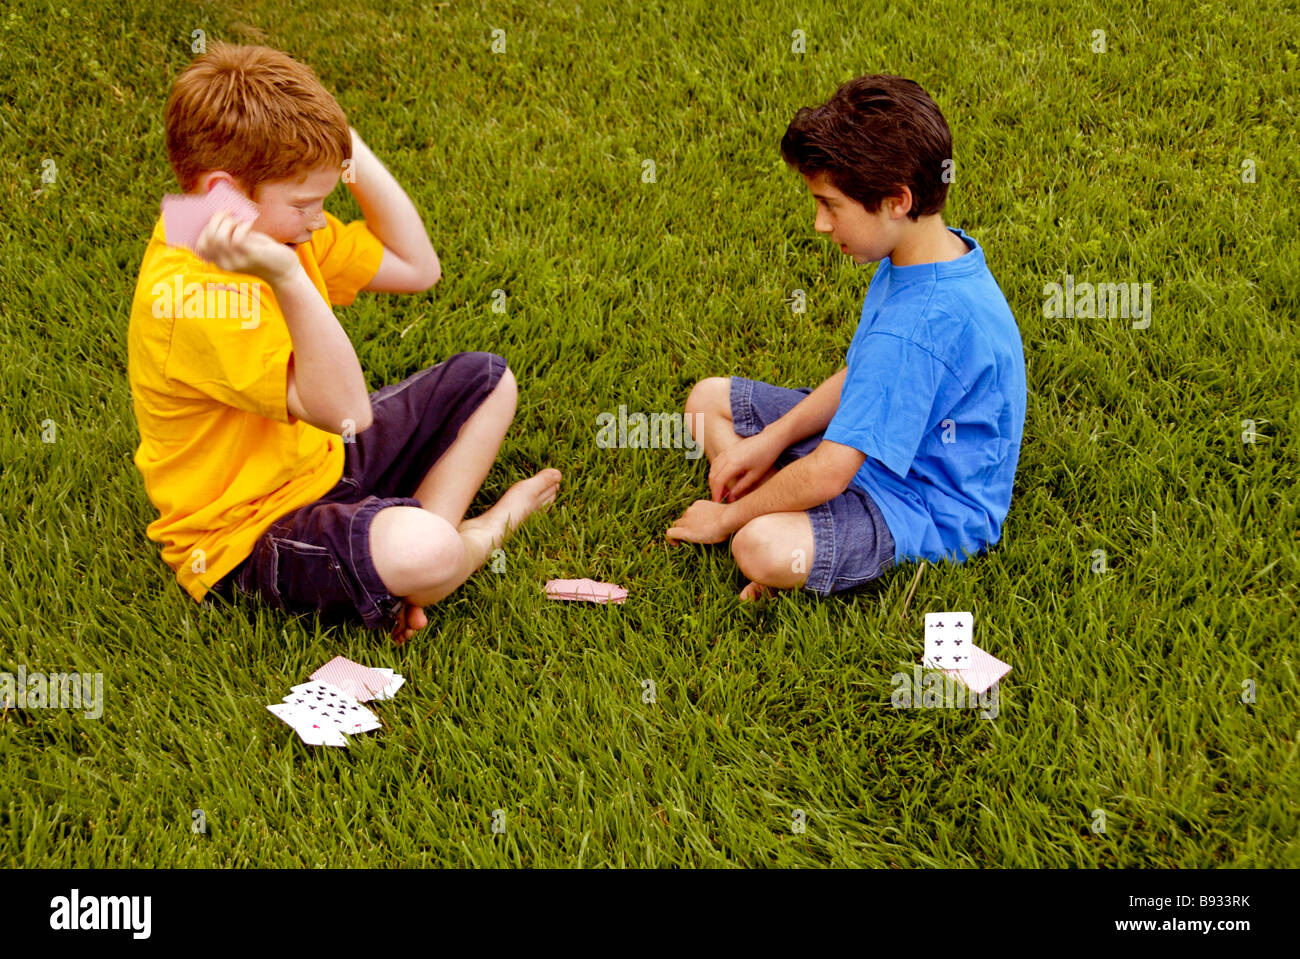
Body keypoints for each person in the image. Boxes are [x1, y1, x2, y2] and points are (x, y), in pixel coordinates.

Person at [128, 44, 560, 643]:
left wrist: (342, 142)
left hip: (324, 460)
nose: (317, 220)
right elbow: (347, 411)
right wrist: (284, 276)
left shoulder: (264, 223)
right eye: (306, 202)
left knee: (489, 379)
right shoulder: (189, 298)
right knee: (428, 547)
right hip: (249, 533)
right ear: (225, 192)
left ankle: (417, 566)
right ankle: (476, 537)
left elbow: (418, 268)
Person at [667, 75, 1026, 601]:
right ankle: (779, 501)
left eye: (830, 205)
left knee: (758, 545)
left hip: (922, 501)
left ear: (896, 200)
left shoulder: (920, 326)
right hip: (879, 444)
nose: (819, 223)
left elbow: (834, 470)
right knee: (705, 401)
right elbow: (862, 376)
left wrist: (726, 518)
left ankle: (769, 520)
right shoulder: (922, 254)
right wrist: (772, 440)